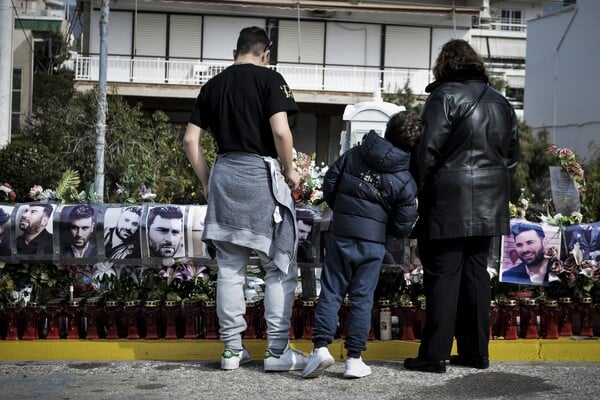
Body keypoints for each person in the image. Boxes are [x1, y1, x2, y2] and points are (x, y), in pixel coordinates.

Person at [183, 26, 308, 372]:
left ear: (236, 50)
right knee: (278, 266)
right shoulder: (270, 80)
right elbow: (281, 131)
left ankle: (232, 351)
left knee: (230, 269)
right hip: (260, 176)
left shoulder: (213, 85)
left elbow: (191, 141)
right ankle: (277, 352)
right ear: (265, 53)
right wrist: (290, 170)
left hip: (225, 175)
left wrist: (207, 181)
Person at [404, 39, 520, 373]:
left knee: (442, 276)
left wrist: (419, 190)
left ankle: (434, 355)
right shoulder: (501, 102)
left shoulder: (443, 96)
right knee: (475, 276)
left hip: (448, 200)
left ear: (444, 65)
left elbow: (426, 151)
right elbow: (512, 157)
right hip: (489, 202)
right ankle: (475, 352)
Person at [302, 111, 420, 379]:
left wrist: (343, 211)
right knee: (362, 299)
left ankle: (321, 348)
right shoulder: (406, 178)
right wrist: (379, 228)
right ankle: (354, 359)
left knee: (331, 291)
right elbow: (403, 225)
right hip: (373, 243)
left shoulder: (356, 153)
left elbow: (330, 182)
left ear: (389, 129)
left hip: (341, 234)